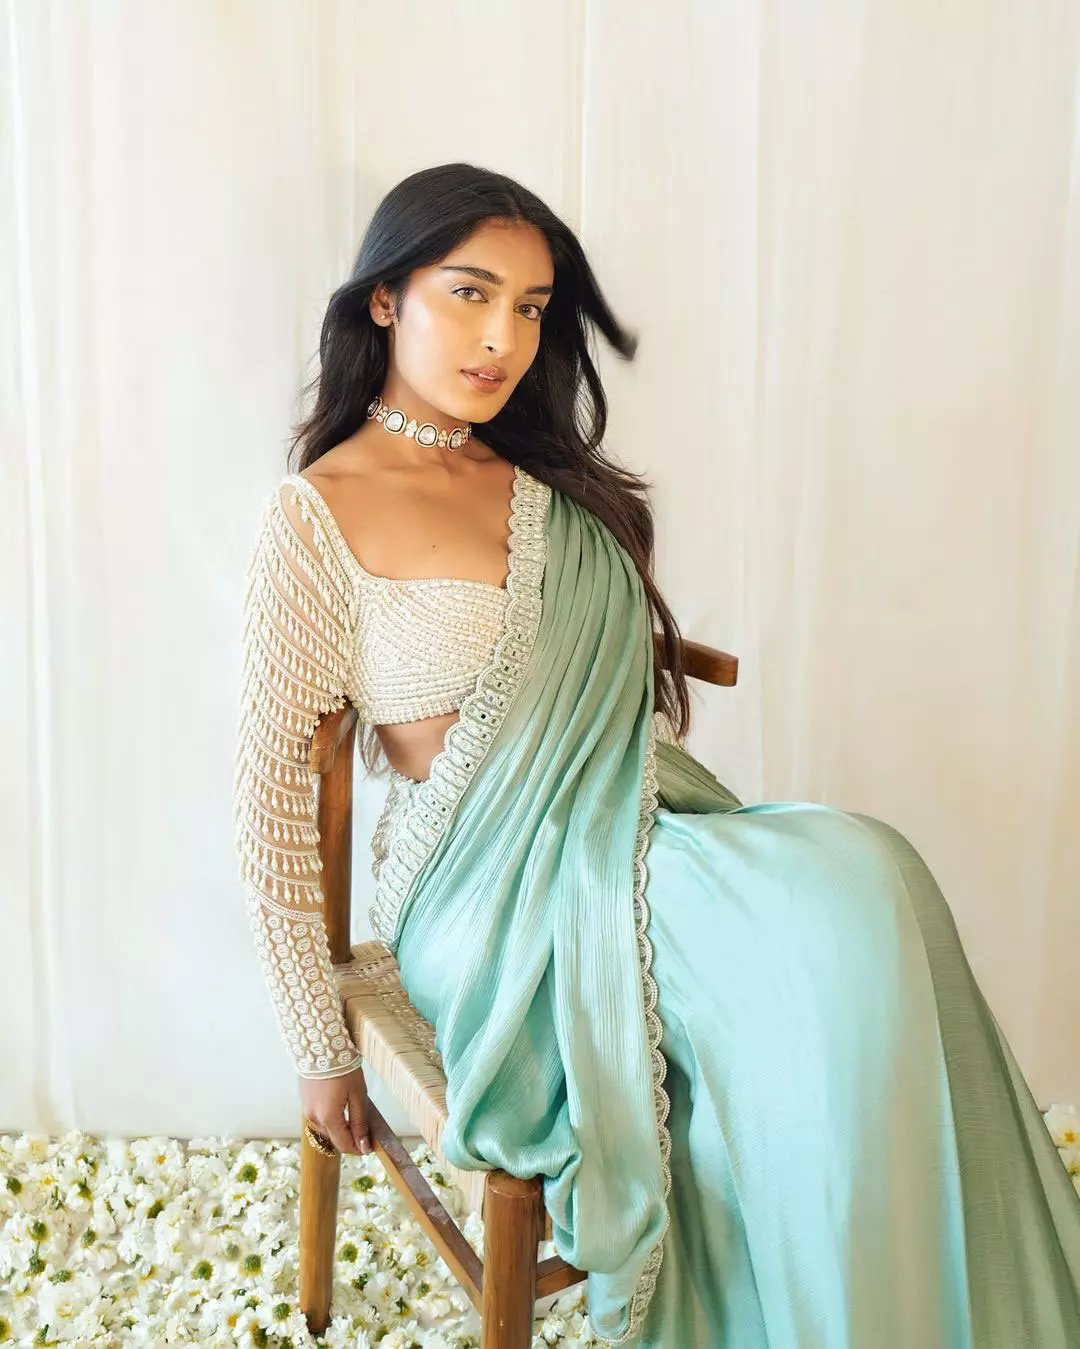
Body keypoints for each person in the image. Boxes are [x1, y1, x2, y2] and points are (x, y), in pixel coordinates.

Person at [233, 162, 1080, 1348]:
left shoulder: (538, 485)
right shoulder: (315, 516)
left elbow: (591, 686)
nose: (503, 338)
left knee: (870, 873)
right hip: (488, 896)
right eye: (471, 294)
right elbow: (268, 803)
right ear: (384, 299)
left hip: (635, 823)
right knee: (829, 933)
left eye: (531, 308)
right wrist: (318, 1050)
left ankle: (906, 1298)